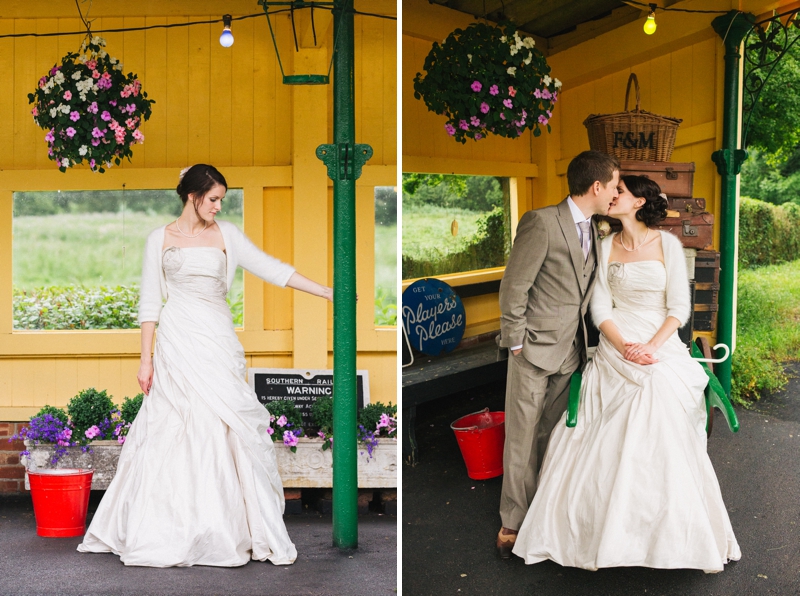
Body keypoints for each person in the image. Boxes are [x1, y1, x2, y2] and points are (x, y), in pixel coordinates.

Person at [78, 164, 333, 567]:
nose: (217, 207)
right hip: (177, 339)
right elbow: (149, 302)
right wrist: (145, 360)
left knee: (224, 420)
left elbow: (269, 267)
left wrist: (326, 291)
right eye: (213, 199)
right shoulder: (157, 239)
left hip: (215, 337)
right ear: (192, 196)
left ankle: (225, 526)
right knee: (172, 424)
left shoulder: (227, 234)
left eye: (221, 200)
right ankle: (168, 526)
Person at [511, 175, 741, 572]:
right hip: (618, 345)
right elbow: (599, 309)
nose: (613, 197)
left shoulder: (667, 244)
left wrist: (651, 346)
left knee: (659, 393)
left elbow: (678, 309)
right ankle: (591, 529)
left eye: (621, 193)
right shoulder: (603, 247)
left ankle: (667, 531)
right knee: (595, 418)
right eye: (613, 190)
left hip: (659, 342)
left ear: (639, 203)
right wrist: (623, 346)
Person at [496, 150, 620, 558]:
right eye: (614, 185)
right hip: (532, 350)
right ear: (596, 186)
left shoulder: (598, 230)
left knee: (553, 434)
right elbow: (514, 287)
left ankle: (543, 513)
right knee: (522, 437)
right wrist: (516, 342)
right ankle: (512, 521)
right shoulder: (541, 222)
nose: (616, 193)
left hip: (571, 351)